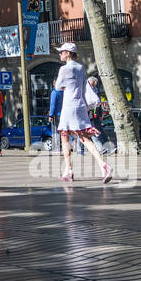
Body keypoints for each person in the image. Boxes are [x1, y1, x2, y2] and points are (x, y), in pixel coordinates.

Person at [53, 43, 113, 183]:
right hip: (80, 107)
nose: (60, 54)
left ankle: (69, 171)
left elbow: (57, 87)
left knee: (64, 137)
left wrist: (63, 87)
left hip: (68, 107)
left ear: (68, 53)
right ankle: (103, 165)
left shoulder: (64, 69)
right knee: (85, 138)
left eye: (62, 52)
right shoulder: (80, 68)